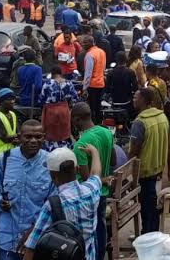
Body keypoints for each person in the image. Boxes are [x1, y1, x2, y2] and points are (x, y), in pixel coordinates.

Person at [0, 120, 54, 260]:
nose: (33, 141)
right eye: (28, 137)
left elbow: (53, 203)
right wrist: (0, 202)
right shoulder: (3, 160)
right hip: (7, 241)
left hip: (37, 244)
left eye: (38, 137)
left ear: (44, 137)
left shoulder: (50, 163)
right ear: (19, 137)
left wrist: (33, 232)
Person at [23, 145, 102, 260]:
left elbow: (32, 245)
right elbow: (96, 173)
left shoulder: (53, 204)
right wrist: (94, 152)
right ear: (77, 169)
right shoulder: (91, 190)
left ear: (52, 176)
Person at [72, 103, 116, 260]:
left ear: (77, 120)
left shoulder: (80, 145)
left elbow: (87, 181)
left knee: (91, 232)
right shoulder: (106, 132)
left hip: (89, 196)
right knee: (100, 228)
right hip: (103, 192)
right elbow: (113, 161)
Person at [129, 88, 169, 234]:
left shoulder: (140, 123)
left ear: (144, 101)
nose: (134, 100)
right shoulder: (162, 117)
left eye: (136, 97)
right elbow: (168, 144)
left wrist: (128, 173)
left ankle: (148, 234)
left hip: (144, 170)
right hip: (157, 166)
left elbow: (134, 151)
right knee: (151, 203)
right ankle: (152, 232)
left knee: (146, 205)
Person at [38, 66, 78, 151]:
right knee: (64, 133)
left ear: (52, 74)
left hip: (50, 112)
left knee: (51, 134)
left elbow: (41, 100)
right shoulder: (69, 83)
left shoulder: (47, 84)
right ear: (61, 73)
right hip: (64, 111)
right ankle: (65, 151)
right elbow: (75, 99)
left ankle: (51, 151)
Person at [0, 88, 19, 165]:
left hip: (11, 155)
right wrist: (20, 135)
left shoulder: (13, 114)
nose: (12, 101)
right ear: (2, 101)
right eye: (9, 99)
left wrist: (19, 137)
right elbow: (5, 139)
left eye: (13, 99)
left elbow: (16, 131)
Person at [82, 35, 106, 124]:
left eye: (85, 42)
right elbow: (103, 68)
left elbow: (88, 73)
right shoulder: (101, 52)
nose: (83, 44)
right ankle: (100, 123)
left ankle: (93, 125)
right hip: (101, 84)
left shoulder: (90, 54)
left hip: (92, 85)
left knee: (92, 109)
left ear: (91, 43)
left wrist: (84, 88)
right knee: (98, 107)